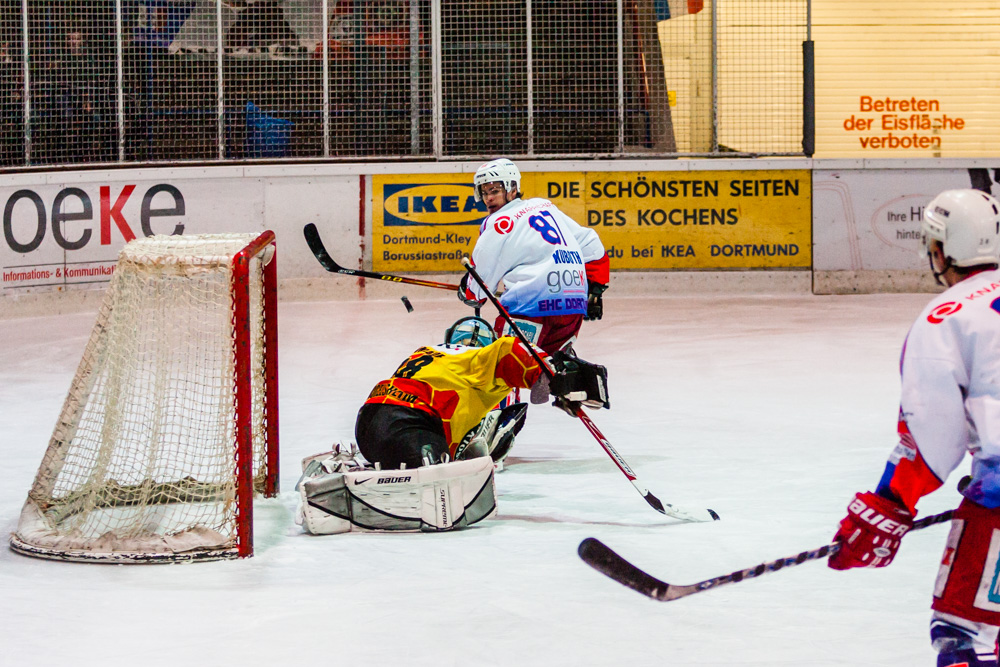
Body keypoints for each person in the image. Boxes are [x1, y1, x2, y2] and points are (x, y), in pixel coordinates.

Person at [828, 189, 1000, 667]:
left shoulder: (946, 318)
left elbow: (930, 438)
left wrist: (887, 505)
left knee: (968, 636)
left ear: (941, 250)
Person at [355, 315, 609, 470]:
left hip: (368, 421)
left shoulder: (427, 351)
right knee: (435, 475)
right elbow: (509, 350)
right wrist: (555, 376)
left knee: (404, 455)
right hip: (412, 426)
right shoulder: (479, 358)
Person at [458, 158, 610, 361]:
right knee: (552, 369)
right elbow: (590, 243)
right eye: (484, 192)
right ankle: (572, 389)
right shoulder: (543, 206)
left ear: (512, 189)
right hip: (573, 305)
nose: (488, 199)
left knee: (502, 367)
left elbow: (478, 287)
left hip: (530, 309)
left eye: (494, 191)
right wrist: (595, 290)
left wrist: (467, 290)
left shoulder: (497, 222)